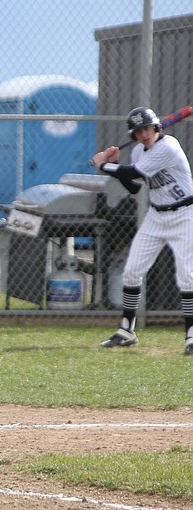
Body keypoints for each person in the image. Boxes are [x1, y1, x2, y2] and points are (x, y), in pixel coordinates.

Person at [92, 106, 193, 355]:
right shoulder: (138, 151)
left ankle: (191, 335)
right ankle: (127, 331)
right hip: (156, 216)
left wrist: (103, 166)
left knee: (187, 277)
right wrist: (114, 164)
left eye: (147, 128)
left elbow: (134, 172)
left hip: (185, 214)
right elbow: (135, 185)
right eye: (138, 131)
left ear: (156, 127)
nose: (144, 134)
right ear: (134, 135)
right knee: (131, 272)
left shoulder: (169, 146)